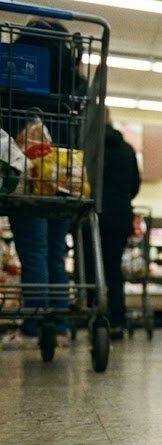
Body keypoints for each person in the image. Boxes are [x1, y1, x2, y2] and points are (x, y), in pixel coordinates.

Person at [2, 19, 85, 349]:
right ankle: (61, 326)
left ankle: (35, 328)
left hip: (28, 173)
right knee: (54, 252)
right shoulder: (72, 81)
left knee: (34, 251)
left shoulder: (16, 74)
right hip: (64, 175)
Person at [84, 109, 140, 339]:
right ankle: (117, 321)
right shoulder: (127, 149)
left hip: (92, 215)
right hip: (119, 216)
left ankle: (95, 318)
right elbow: (135, 184)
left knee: (91, 268)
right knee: (114, 270)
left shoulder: (89, 148)